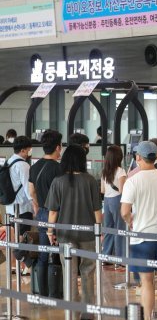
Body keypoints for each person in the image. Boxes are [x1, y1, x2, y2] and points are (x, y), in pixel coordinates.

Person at [120, 141, 157, 320]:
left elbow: (124, 212)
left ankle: (148, 317)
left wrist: (131, 221)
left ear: (138, 158)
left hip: (141, 237)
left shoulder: (133, 181)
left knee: (147, 281)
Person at [45, 144, 102, 319]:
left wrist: (49, 231)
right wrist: (100, 233)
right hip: (89, 234)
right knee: (88, 273)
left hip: (65, 235)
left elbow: (53, 212)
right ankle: (88, 312)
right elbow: (97, 211)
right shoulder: (90, 180)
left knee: (69, 274)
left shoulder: (58, 182)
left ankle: (71, 312)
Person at [28, 130, 63, 297]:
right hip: (56, 215)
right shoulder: (59, 168)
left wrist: (36, 207)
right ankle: (56, 292)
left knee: (43, 255)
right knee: (57, 255)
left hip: (41, 213)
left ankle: (42, 293)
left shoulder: (34, 166)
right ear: (58, 147)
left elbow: (31, 190)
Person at [100, 145, 127, 257]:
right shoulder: (121, 171)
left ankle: (106, 255)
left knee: (108, 229)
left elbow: (102, 190)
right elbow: (122, 190)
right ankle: (120, 257)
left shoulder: (104, 172)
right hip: (117, 200)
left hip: (107, 200)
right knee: (120, 229)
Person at [7, 136, 35, 236]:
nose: (29, 152)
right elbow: (29, 189)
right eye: (29, 150)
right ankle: (20, 252)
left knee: (14, 237)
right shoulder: (23, 165)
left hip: (10, 207)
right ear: (23, 150)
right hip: (23, 208)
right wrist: (35, 206)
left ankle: (16, 252)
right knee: (23, 237)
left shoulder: (9, 161)